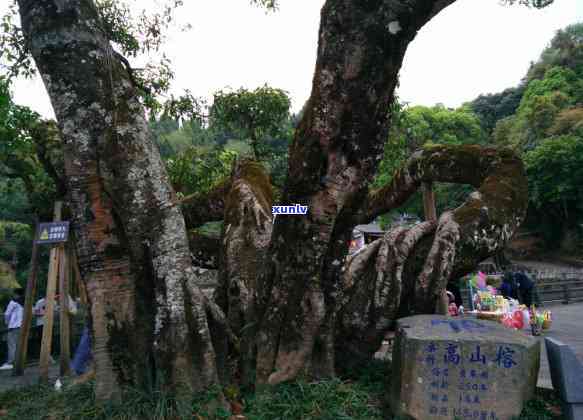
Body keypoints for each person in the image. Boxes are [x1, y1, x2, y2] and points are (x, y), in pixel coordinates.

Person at [1, 289, 24, 370]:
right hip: (22, 326)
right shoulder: (24, 302)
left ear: (16, 294)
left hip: (13, 326)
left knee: (12, 344)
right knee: (19, 344)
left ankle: (11, 362)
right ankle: (19, 361)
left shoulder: (13, 302)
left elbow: (7, 314)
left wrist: (7, 323)